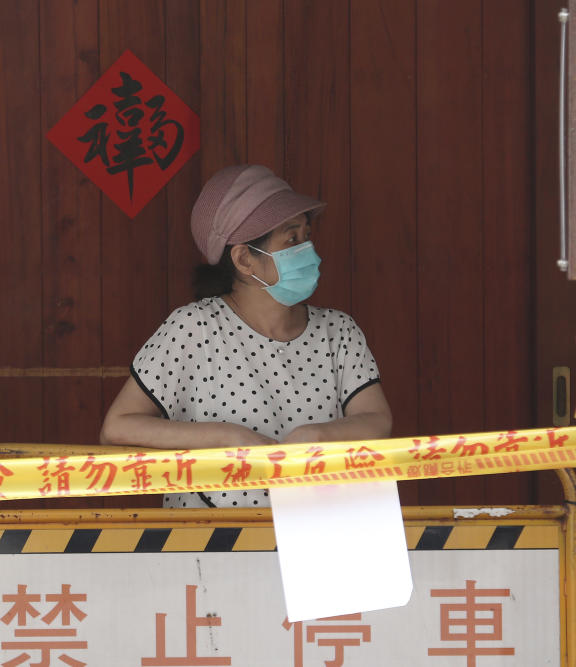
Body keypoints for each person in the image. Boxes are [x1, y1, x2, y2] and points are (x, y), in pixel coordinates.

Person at [99, 165, 392, 508]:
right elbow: (117, 428)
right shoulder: (193, 327)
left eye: (306, 235)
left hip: (316, 533)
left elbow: (377, 420)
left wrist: (314, 437)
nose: (308, 249)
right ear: (244, 259)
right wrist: (225, 437)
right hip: (207, 545)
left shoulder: (339, 331)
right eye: (292, 238)